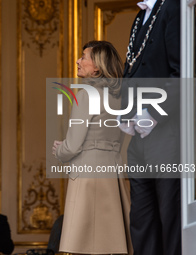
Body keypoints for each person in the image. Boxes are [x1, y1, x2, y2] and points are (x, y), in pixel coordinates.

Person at [52, 41, 132, 255]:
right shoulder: (121, 96)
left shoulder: (87, 94)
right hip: (113, 173)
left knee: (84, 247)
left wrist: (60, 150)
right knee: (111, 246)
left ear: (97, 66)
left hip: (88, 175)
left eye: (84, 57)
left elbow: (73, 145)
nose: (78, 61)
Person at [119, 0, 181, 254]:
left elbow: (182, 73)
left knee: (170, 218)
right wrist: (126, 111)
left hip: (167, 133)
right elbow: (131, 69)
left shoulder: (175, 7)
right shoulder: (139, 17)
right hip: (139, 137)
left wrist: (153, 114)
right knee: (142, 222)